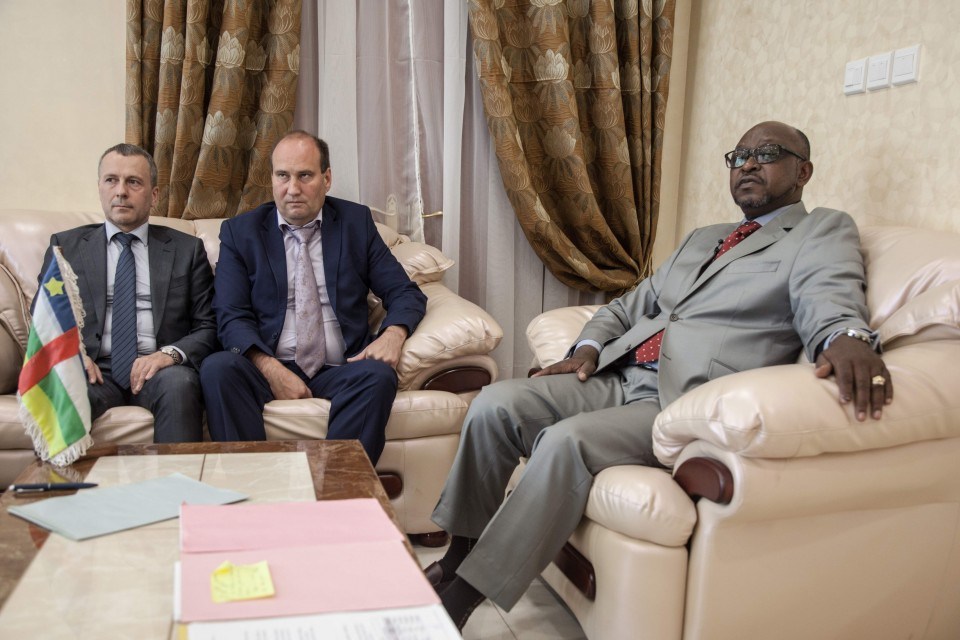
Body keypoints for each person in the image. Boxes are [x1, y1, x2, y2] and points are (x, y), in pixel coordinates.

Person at [426, 121, 895, 629]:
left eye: (767, 154)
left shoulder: (818, 230)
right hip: (618, 374)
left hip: (681, 400)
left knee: (566, 441)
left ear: (803, 172)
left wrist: (846, 336)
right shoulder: (703, 238)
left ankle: (464, 596)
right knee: (495, 404)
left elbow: (829, 294)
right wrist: (589, 347)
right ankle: (458, 554)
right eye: (738, 156)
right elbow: (629, 306)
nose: (747, 165)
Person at [200, 130, 427, 465]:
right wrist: (272, 370)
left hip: (340, 366)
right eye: (283, 176)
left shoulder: (355, 223)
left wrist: (394, 334)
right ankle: (251, 484)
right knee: (218, 368)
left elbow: (403, 291)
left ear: (327, 178)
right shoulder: (241, 232)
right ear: (272, 179)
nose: (293, 189)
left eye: (305, 176)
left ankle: (333, 486)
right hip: (267, 365)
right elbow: (230, 315)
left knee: (378, 376)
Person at [36, 143, 217, 442]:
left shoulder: (187, 250)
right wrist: (72, 355)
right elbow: (43, 317)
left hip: (159, 369)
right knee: (64, 388)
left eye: (133, 182)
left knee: (180, 384)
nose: (121, 191)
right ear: (99, 187)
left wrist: (168, 355)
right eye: (111, 180)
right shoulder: (66, 247)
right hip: (93, 368)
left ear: (154, 195)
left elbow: (208, 325)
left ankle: (178, 475)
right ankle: (57, 474)